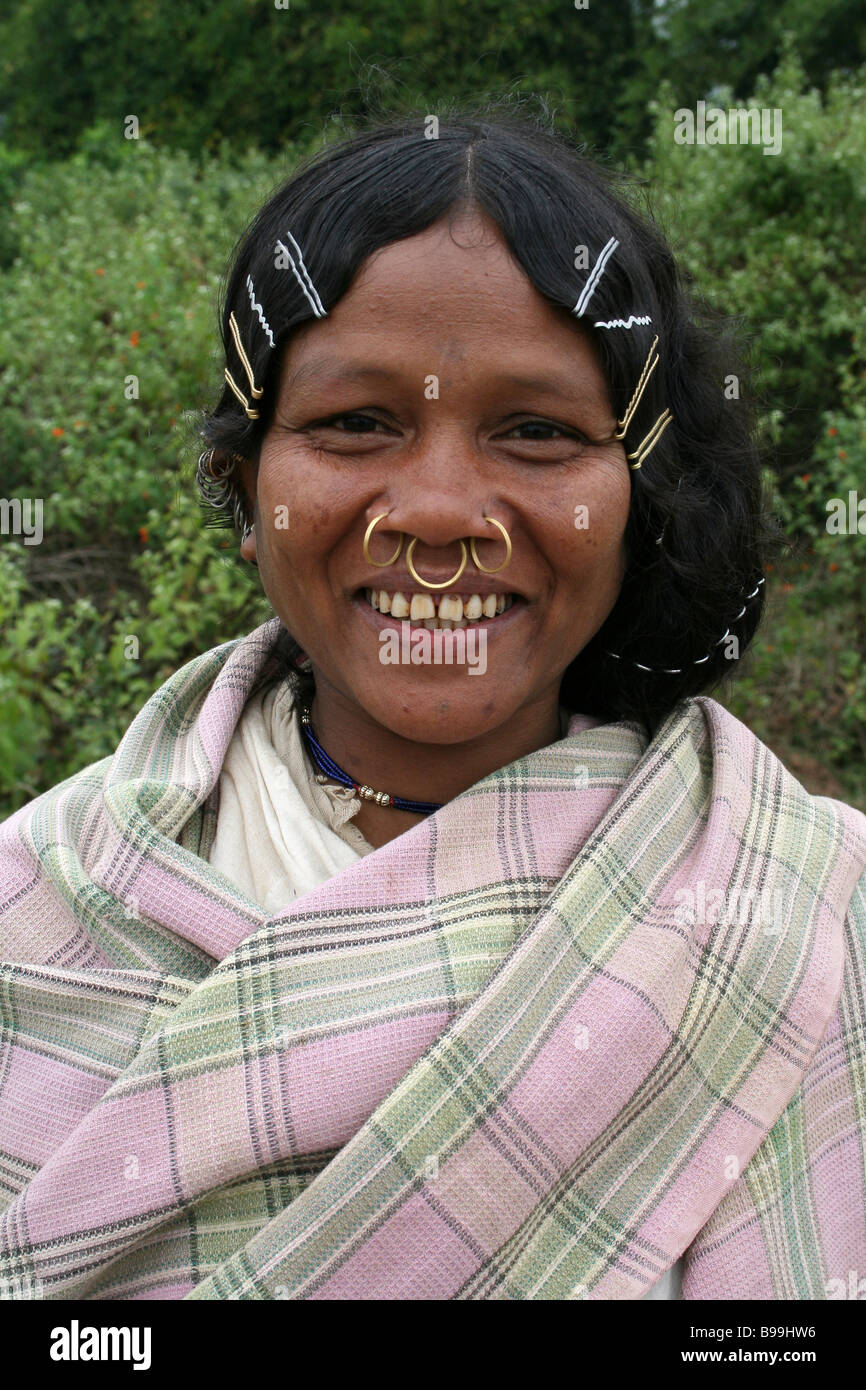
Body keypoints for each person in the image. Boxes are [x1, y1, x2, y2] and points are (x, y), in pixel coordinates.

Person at [1, 109, 864, 1302]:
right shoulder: (35, 914)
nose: (442, 512)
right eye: (356, 422)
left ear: (639, 495)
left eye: (536, 431)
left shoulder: (802, 913)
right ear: (244, 487)